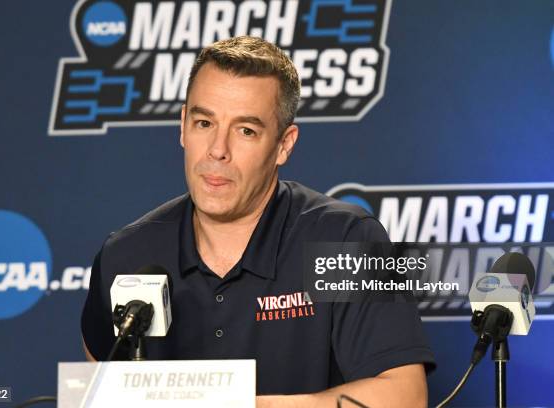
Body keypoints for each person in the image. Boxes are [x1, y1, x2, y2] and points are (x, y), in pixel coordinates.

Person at [81, 36, 435, 407]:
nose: (218, 150)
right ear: (183, 125)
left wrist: (245, 405)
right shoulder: (125, 254)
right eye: (204, 123)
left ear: (284, 144)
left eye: (245, 130)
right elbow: (97, 393)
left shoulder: (345, 240)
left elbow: (404, 396)